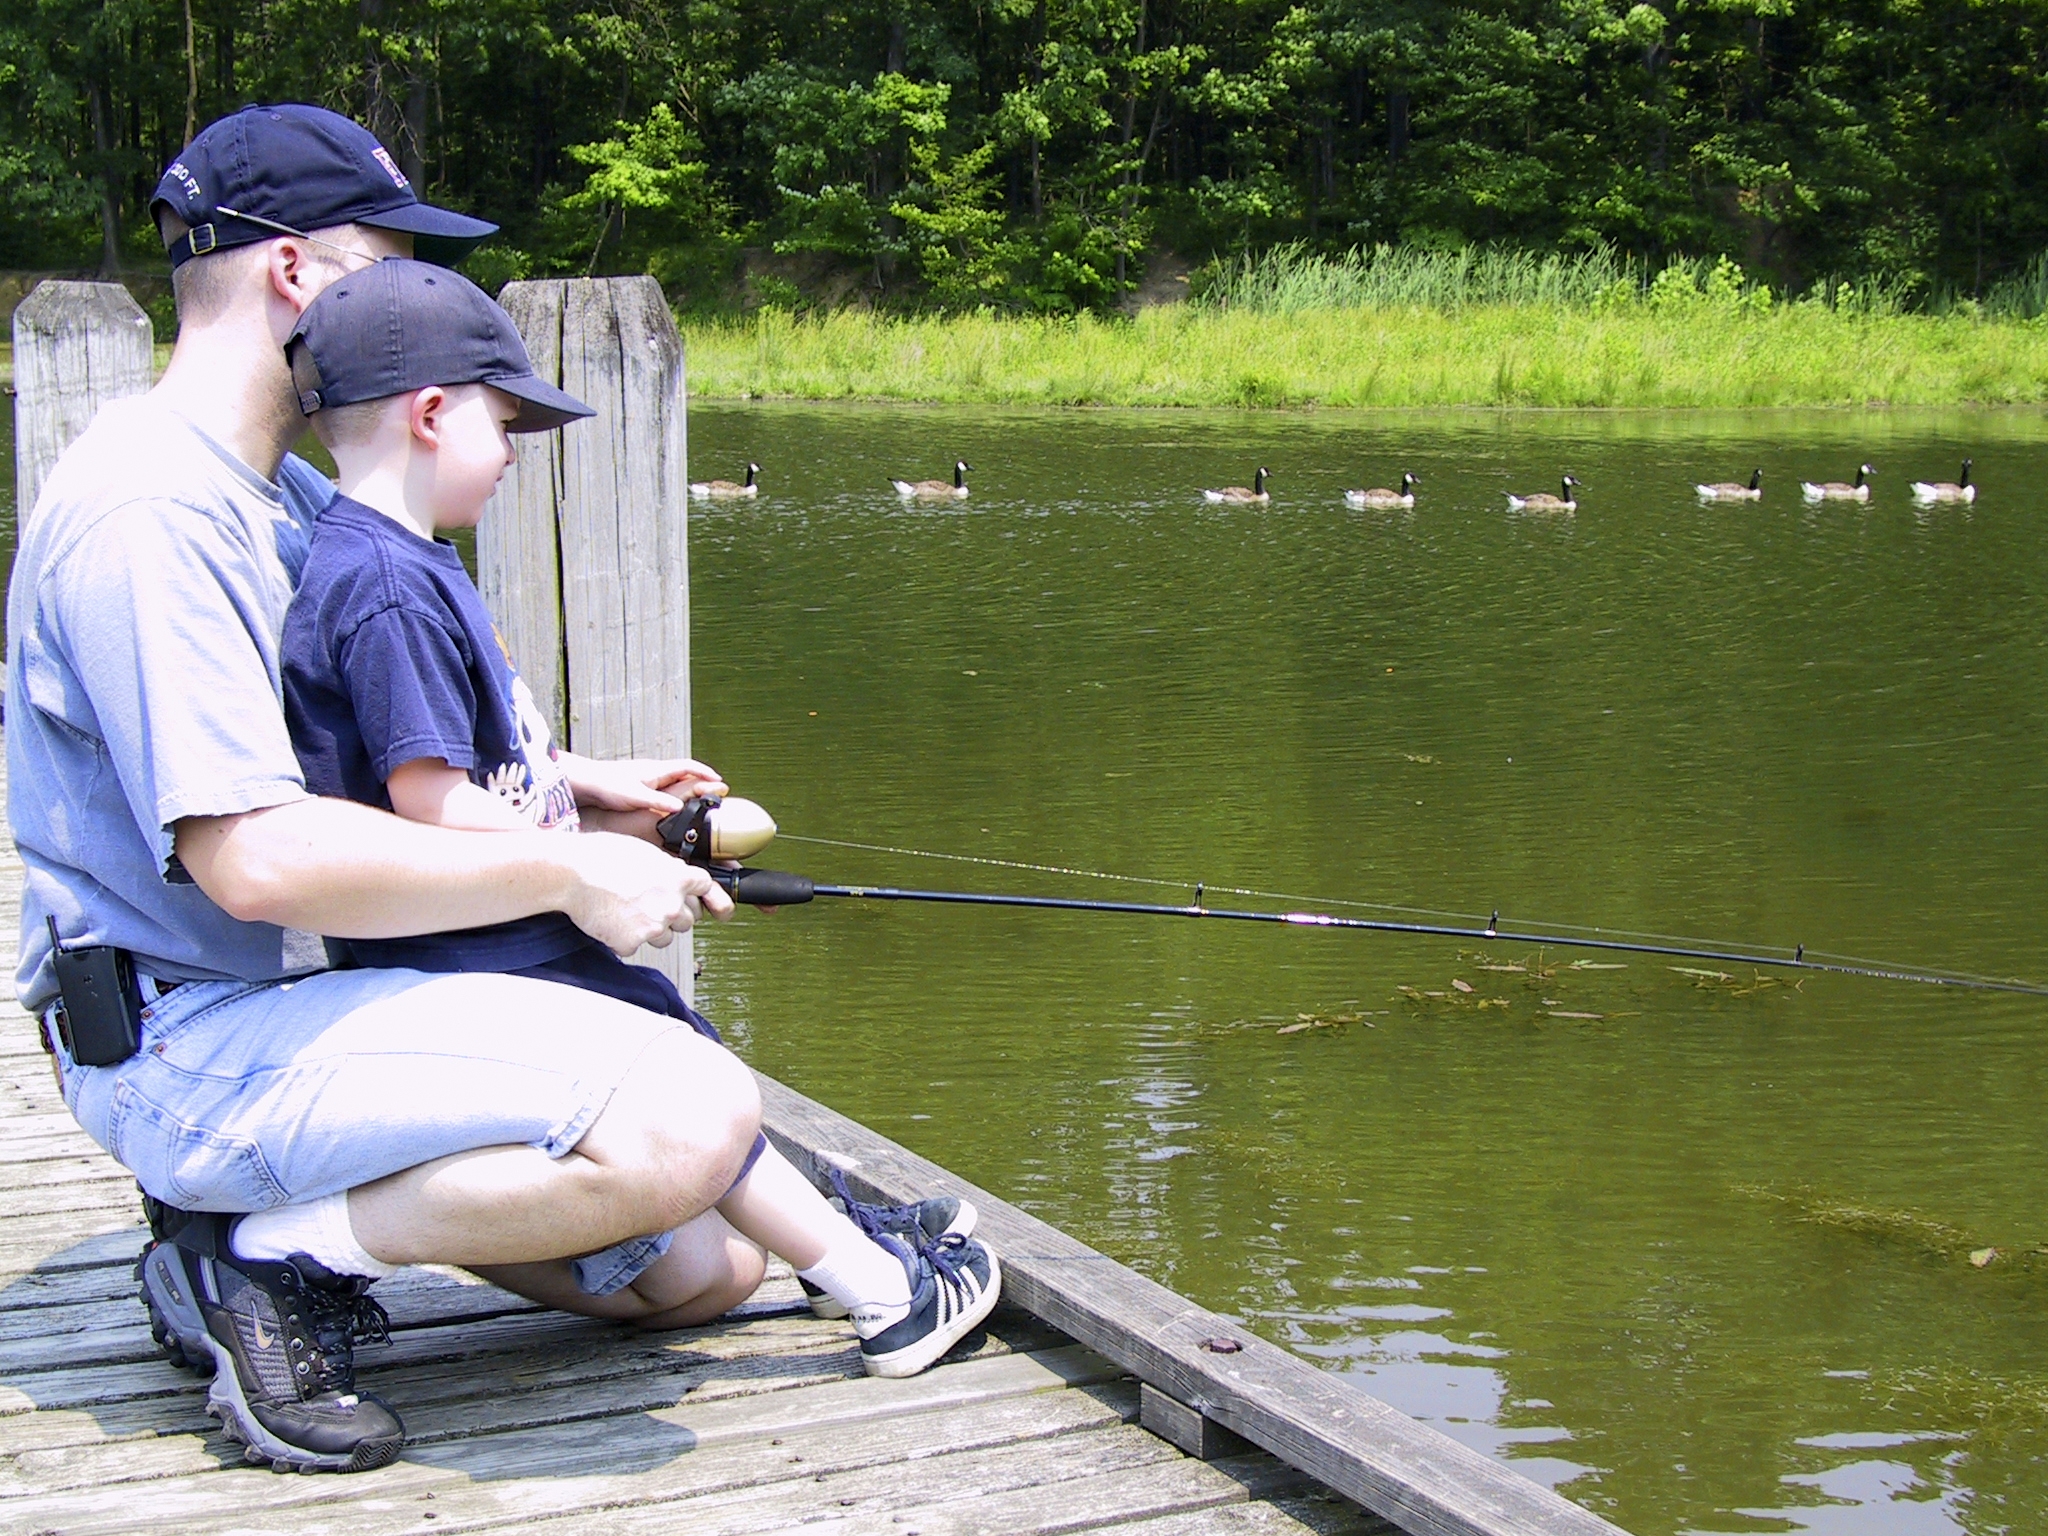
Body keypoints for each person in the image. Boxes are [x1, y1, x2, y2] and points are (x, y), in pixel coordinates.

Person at [2, 103, 936, 1477]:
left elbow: (374, 743)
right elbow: (250, 859)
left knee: (704, 1270)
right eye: (387, 256)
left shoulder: (289, 503)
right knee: (690, 1116)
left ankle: (283, 1227)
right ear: (295, 276)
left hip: (312, 1004)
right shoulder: (152, 517)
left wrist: (579, 790)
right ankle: (249, 1257)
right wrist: (567, 874)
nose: (418, 291)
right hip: (184, 1040)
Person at [275, 256, 999, 1376]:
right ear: (428, 415)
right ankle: (882, 1293)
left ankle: (834, 1246)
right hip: (478, 947)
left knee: (682, 1058)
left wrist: (589, 778)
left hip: (496, 931)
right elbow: (426, 798)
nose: (515, 455)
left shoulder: (405, 561)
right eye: (503, 425)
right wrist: (583, 865)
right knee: (673, 1056)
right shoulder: (382, 583)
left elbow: (474, 755)